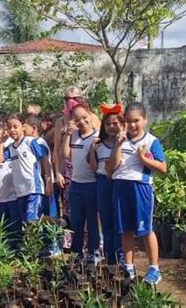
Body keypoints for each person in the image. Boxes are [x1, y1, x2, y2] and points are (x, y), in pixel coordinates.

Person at [111, 102, 167, 284]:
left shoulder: (151, 141)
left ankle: (154, 269)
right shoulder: (120, 139)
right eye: (128, 121)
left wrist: (143, 158)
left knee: (146, 229)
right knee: (126, 229)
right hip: (121, 186)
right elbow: (112, 167)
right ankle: (128, 267)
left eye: (136, 121)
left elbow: (163, 167)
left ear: (145, 120)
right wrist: (118, 146)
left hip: (141, 188)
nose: (132, 125)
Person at [53, 87, 100, 249]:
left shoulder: (94, 124)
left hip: (91, 177)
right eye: (67, 98)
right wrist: (57, 172)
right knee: (73, 214)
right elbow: (59, 151)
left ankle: (93, 248)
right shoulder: (63, 124)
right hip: (71, 176)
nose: (71, 100)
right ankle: (73, 247)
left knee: (92, 216)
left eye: (76, 97)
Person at [0, 113, 54, 223]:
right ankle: (54, 222)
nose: (12, 130)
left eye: (15, 126)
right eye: (9, 127)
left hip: (33, 188)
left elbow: (44, 159)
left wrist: (48, 180)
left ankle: (52, 226)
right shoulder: (11, 148)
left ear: (23, 126)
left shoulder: (30, 142)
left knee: (31, 220)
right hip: (20, 190)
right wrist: (2, 142)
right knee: (26, 221)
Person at [61, 103, 100, 264]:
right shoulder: (74, 135)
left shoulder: (97, 137)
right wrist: (67, 135)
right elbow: (66, 155)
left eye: (84, 117)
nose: (82, 121)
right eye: (77, 119)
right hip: (76, 184)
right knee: (76, 221)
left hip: (92, 184)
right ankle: (77, 252)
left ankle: (93, 252)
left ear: (90, 114)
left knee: (92, 221)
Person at [89, 103, 124, 266]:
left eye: (115, 123)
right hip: (102, 183)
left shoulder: (126, 143)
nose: (111, 127)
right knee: (106, 219)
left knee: (120, 220)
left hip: (120, 183)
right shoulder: (99, 145)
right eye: (108, 124)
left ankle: (121, 255)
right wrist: (92, 150)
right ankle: (110, 255)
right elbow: (94, 168)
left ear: (122, 124)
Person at [24, 114, 58, 218]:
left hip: (45, 183)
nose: (23, 131)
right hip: (39, 183)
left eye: (25, 128)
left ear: (34, 128)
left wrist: (47, 181)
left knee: (48, 214)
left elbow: (45, 163)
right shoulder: (29, 142)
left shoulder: (39, 143)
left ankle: (53, 234)